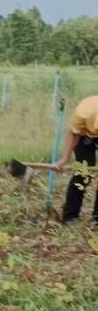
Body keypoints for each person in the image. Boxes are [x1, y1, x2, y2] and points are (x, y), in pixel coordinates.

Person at [55, 93, 98, 224]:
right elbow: (73, 134)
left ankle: (97, 220)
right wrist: (64, 159)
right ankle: (70, 217)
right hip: (84, 136)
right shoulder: (82, 112)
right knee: (82, 174)